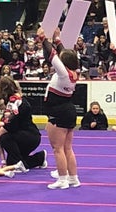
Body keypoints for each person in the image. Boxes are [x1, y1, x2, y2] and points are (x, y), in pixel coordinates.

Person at [38, 27, 82, 189]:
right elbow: (64, 54)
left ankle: (62, 179)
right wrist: (57, 39)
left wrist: (43, 39)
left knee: (57, 149)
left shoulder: (63, 73)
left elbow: (53, 56)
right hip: (67, 110)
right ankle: (73, 178)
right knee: (67, 148)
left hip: (58, 112)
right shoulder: (74, 71)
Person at [0, 76, 46, 173]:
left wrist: (2, 126)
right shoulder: (15, 100)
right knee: (11, 163)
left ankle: (19, 163)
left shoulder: (16, 102)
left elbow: (12, 126)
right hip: (27, 135)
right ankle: (39, 158)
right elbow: (7, 119)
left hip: (30, 136)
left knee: (5, 138)